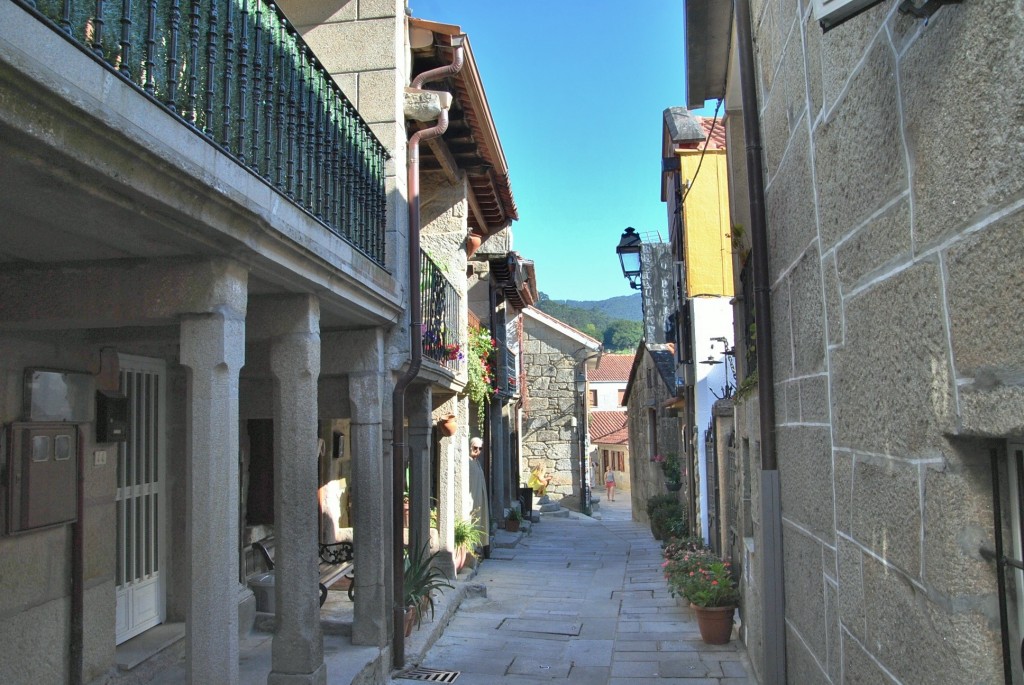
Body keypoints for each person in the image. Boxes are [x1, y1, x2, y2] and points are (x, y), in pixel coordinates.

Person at [468, 437, 490, 559]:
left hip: (479, 499)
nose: (477, 451)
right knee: (472, 521)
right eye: (475, 448)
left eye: (480, 448)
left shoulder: (476, 462)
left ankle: (477, 547)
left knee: (479, 520)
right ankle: (471, 548)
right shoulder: (467, 462)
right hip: (471, 500)